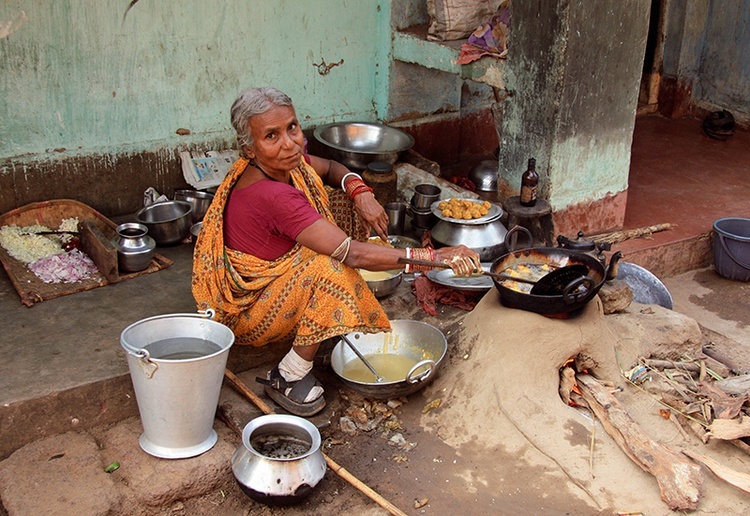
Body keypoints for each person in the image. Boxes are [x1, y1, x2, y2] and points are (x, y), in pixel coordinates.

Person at [192, 87, 480, 417]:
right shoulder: (273, 195)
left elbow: (330, 168)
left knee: (342, 202)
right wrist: (433, 258)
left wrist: (361, 193)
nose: (290, 143)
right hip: (248, 312)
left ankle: (331, 312)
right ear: (249, 147)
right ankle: (288, 374)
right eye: (271, 136)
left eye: (292, 128)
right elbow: (352, 255)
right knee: (333, 268)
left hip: (279, 273)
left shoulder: (288, 165)